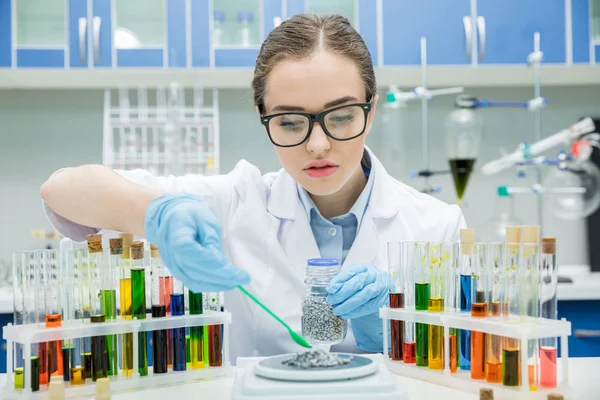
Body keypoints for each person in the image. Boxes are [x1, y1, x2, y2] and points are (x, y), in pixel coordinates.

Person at [40, 14, 465, 361]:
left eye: (340, 116)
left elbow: (458, 368)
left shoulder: (436, 226)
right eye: (290, 122)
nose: (317, 144)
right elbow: (63, 190)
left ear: (370, 112)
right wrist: (160, 213)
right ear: (264, 118)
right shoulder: (237, 203)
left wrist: (389, 331)